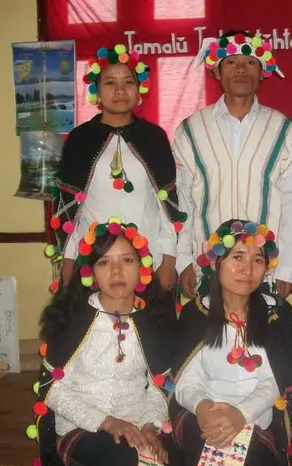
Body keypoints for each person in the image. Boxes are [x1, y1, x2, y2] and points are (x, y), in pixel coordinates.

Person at [30, 220, 190, 466]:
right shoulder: (73, 319)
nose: (117, 271)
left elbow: (158, 388)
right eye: (105, 262)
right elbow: (52, 391)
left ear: (141, 267)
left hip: (138, 427)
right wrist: (108, 422)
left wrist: (149, 428)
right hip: (82, 429)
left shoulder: (153, 321)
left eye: (127, 260)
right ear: (91, 272)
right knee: (122, 461)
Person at [168, 219, 292, 466]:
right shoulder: (196, 313)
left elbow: (274, 382)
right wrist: (203, 407)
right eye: (238, 257)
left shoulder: (277, 313)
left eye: (257, 260)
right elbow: (187, 380)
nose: (247, 269)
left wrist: (239, 415)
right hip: (203, 415)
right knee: (215, 449)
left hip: (256, 419)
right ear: (216, 262)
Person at [173, 30, 292, 299]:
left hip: (265, 270)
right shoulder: (191, 129)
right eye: (232, 62)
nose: (241, 69)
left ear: (262, 72)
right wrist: (183, 259)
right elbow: (182, 200)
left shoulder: (283, 129)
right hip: (208, 268)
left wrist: (287, 267)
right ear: (216, 71)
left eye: (250, 62)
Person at [50, 43, 184, 292]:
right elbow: (67, 207)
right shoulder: (80, 139)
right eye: (110, 82)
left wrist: (168, 258)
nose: (120, 90)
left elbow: (167, 205)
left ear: (139, 89)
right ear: (97, 91)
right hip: (93, 259)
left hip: (149, 259)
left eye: (128, 82)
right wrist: (68, 259)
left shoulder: (154, 137)